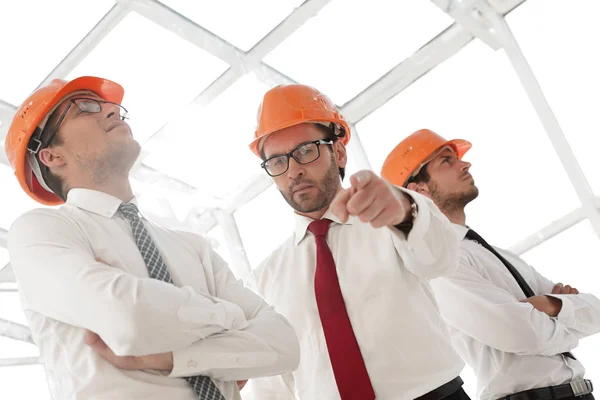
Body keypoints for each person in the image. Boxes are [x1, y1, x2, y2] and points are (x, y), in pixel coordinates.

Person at [4, 76, 300, 400]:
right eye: (85, 108)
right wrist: (229, 321)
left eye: (111, 106)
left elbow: (284, 344)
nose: (112, 111)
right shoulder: (41, 232)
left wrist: (172, 357)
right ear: (51, 157)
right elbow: (126, 317)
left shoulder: (193, 247)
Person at [246, 84, 469, 400]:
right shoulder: (265, 277)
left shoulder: (393, 215)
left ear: (338, 152)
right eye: (277, 161)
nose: (293, 169)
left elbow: (440, 259)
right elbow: (273, 383)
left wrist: (404, 211)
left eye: (306, 150)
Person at [381, 128, 600, 400]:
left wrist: (552, 305)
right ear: (418, 190)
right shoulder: (438, 265)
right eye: (447, 161)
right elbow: (522, 334)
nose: (465, 163)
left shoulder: (497, 254)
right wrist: (570, 323)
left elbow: (596, 311)